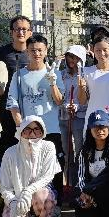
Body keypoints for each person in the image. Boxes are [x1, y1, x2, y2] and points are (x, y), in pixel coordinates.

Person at [6, 34, 66, 202]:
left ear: (46, 51)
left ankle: (56, 203)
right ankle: (30, 202)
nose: (36, 53)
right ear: (27, 52)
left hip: (51, 128)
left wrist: (53, 83)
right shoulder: (19, 75)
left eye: (40, 50)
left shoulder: (54, 73)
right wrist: (21, 127)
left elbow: (60, 101)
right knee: (30, 168)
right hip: (29, 132)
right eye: (33, 50)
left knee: (54, 166)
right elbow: (13, 104)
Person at [0, 116, 60, 217]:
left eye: (37, 129)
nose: (32, 133)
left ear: (42, 132)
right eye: (27, 129)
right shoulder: (10, 153)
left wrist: (28, 191)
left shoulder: (48, 147)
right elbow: (5, 186)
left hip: (40, 193)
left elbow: (47, 176)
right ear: (20, 131)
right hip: (17, 195)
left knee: (42, 195)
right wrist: (13, 202)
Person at [77, 36, 109, 148]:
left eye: (105, 49)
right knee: (92, 155)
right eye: (98, 50)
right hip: (92, 122)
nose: (102, 53)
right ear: (93, 51)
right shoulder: (86, 72)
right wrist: (81, 87)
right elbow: (82, 101)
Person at [0, 15, 32, 156]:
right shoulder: (2, 53)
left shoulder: (35, 52)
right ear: (11, 32)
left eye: (24, 29)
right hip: (6, 106)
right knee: (7, 145)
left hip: (29, 105)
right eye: (17, 29)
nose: (20, 32)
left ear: (30, 32)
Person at [59, 45, 87, 193]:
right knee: (66, 152)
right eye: (70, 56)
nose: (72, 60)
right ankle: (69, 184)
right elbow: (57, 96)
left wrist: (76, 106)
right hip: (63, 117)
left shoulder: (85, 75)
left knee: (79, 152)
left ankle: (80, 184)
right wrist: (66, 106)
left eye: (76, 57)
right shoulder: (60, 74)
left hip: (80, 117)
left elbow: (87, 98)